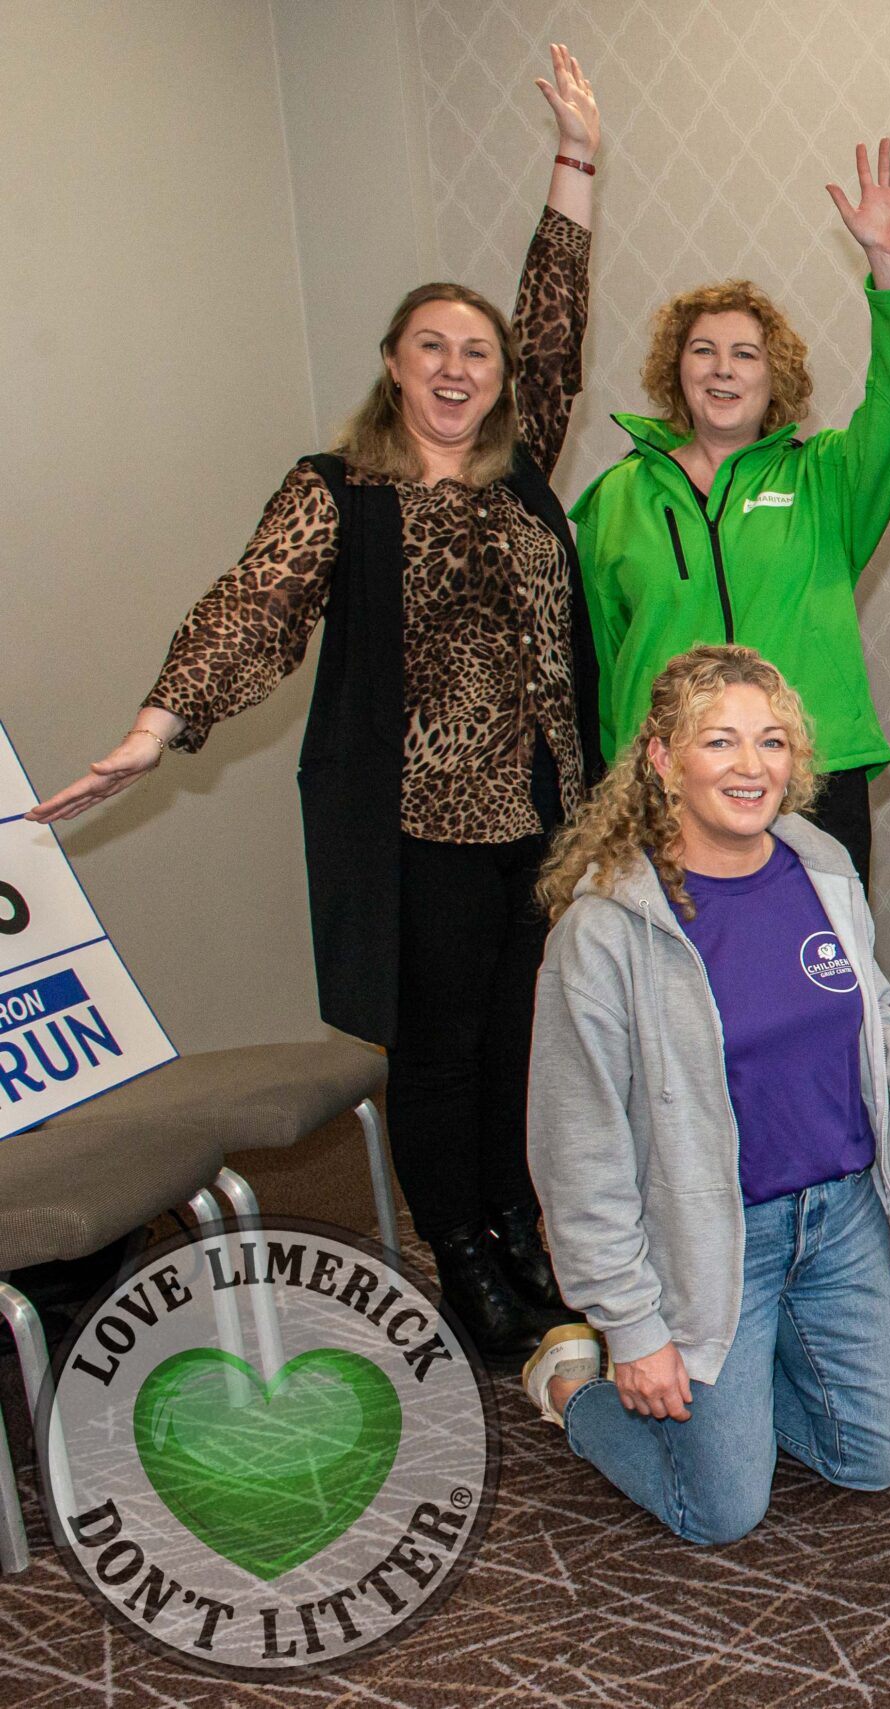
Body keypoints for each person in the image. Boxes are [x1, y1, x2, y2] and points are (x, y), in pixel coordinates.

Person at [29, 47, 605, 1361]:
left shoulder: (525, 478)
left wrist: (575, 163)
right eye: (433, 349)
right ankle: (461, 1249)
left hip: (546, 815)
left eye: (478, 352)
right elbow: (254, 607)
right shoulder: (340, 490)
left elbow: (557, 318)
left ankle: (517, 1230)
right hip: (423, 828)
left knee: (524, 1039)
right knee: (444, 1051)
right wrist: (156, 726)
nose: (460, 370)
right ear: (394, 365)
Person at [521, 645, 890, 1545]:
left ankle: (747, 1390)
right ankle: (574, 1385)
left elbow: (868, 1015)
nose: (751, 766)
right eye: (718, 741)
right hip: (708, 1240)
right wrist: (633, 1327)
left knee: (877, 1455)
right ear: (662, 760)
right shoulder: (604, 929)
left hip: (842, 1217)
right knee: (722, 1510)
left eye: (771, 742)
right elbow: (577, 1153)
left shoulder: (821, 863)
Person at [570, 140, 890, 885]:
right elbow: (604, 664)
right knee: (679, 987)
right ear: (677, 372)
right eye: (703, 351)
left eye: (746, 353)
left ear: (778, 379)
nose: (723, 368)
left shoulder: (826, 477)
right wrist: (620, 780)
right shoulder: (616, 496)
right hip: (667, 783)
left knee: (816, 977)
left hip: (808, 774)